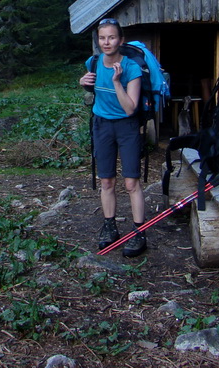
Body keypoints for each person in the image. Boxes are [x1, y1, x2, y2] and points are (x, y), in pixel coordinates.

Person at [79, 18, 147, 257]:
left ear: (121, 40)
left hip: (126, 126)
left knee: (131, 183)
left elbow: (131, 108)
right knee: (106, 181)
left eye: (111, 37)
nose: (106, 42)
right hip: (101, 125)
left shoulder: (131, 68)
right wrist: (83, 83)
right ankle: (110, 227)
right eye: (102, 38)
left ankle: (140, 231)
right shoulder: (93, 62)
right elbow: (92, 90)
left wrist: (117, 82)